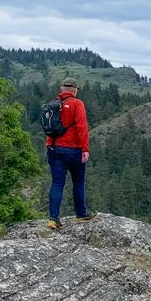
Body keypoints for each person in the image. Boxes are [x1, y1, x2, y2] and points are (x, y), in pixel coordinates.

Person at [46, 78, 97, 229]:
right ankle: (81, 214)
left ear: (62, 89)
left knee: (57, 183)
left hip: (54, 149)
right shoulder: (77, 103)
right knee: (78, 181)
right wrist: (85, 149)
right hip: (73, 150)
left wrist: (50, 145)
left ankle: (53, 219)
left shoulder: (53, 105)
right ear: (75, 90)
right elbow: (82, 127)